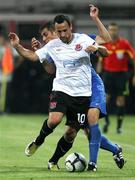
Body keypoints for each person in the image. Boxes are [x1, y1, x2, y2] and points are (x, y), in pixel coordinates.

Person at [9, 10, 125, 172]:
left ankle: (56, 160)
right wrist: (18, 46)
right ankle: (42, 142)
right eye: (59, 32)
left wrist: (96, 38)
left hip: (87, 90)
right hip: (62, 90)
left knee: (77, 131)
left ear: (70, 27)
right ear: (56, 31)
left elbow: (106, 43)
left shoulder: (83, 38)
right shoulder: (52, 46)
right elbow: (42, 63)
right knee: (56, 120)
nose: (61, 34)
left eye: (45, 34)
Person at [97, 22, 135, 134]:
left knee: (120, 100)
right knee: (105, 99)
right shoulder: (105, 44)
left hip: (121, 75)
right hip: (108, 74)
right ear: (108, 31)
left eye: (114, 30)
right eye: (110, 30)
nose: (112, 32)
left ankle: (119, 127)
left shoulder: (124, 44)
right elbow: (100, 61)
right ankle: (106, 122)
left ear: (117, 31)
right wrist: (97, 75)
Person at [0, 33, 23, 114]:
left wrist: (15, 66)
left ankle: (5, 110)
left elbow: (20, 57)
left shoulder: (8, 48)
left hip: (7, 75)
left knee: (6, 94)